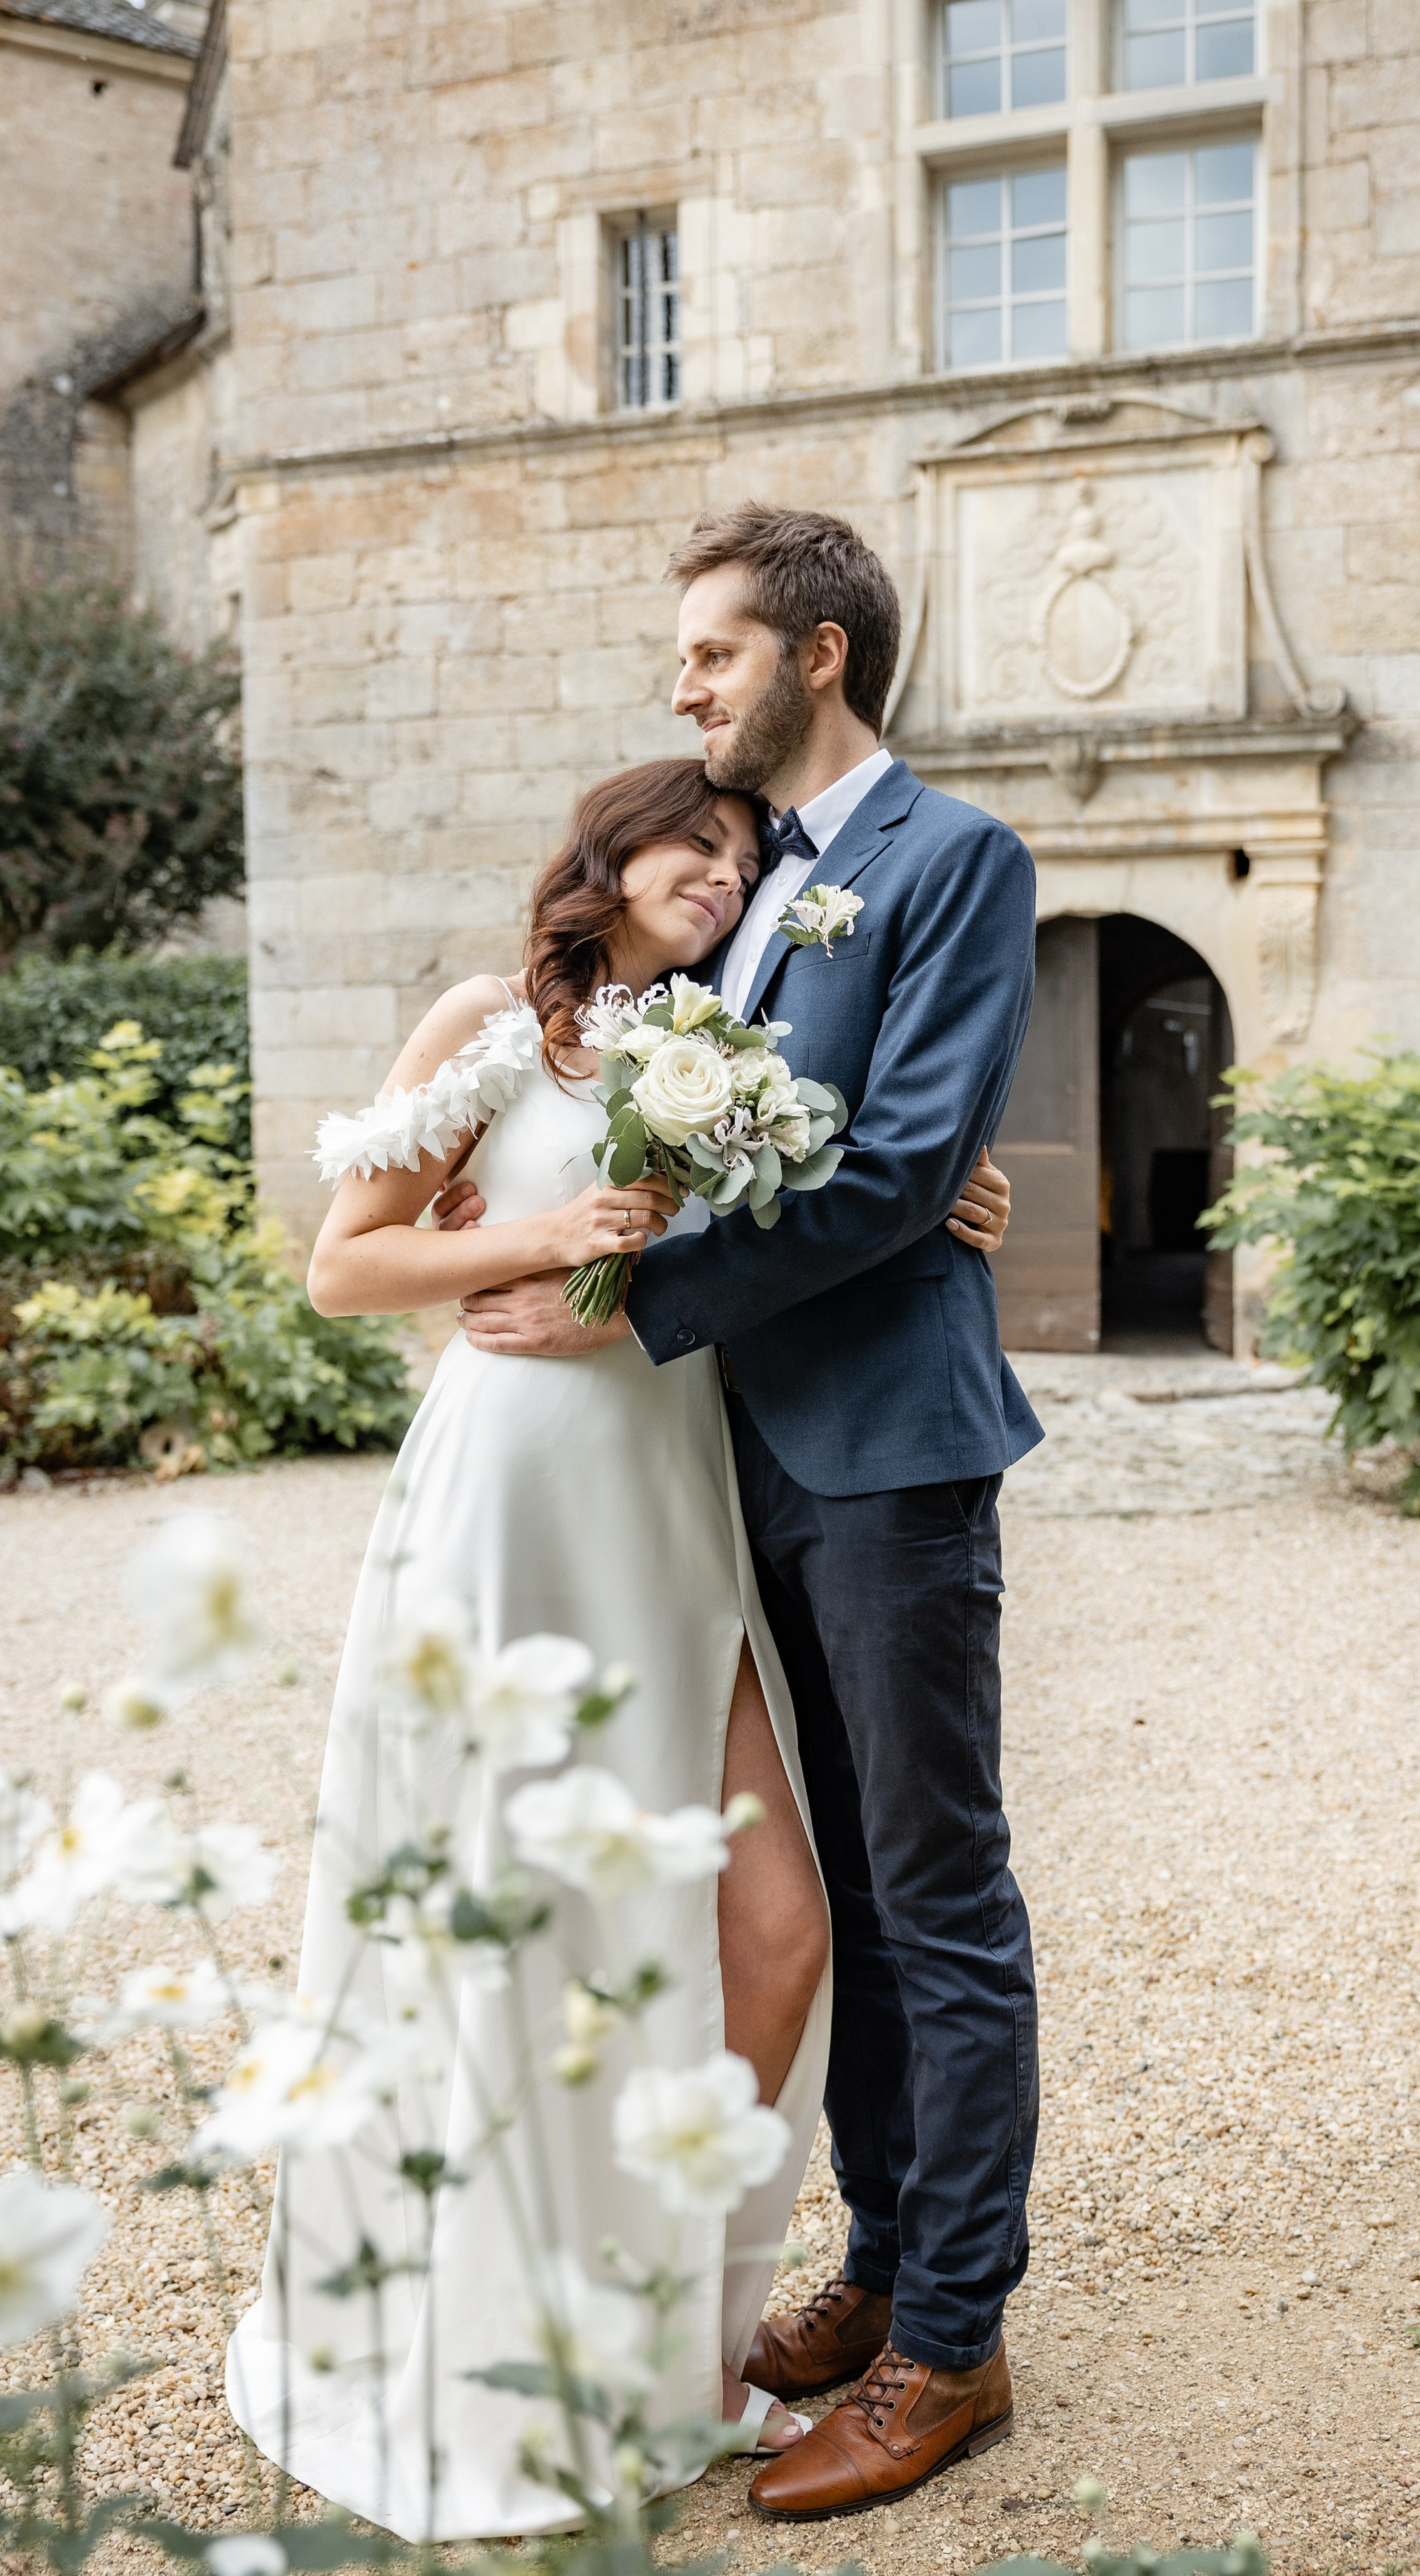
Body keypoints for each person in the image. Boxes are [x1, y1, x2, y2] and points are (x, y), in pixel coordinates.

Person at [223, 752, 1009, 2541]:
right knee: (506, 1929)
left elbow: (843, 1198)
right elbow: (345, 1265)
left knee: (777, 1930)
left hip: (678, 1516)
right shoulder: (496, 1020)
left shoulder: (735, 1061)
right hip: (512, 1502)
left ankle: (669, 2320)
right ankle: (492, 2335)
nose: (723, 879)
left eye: (744, 861)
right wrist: (553, 1234)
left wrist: (953, 1194)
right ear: (612, 850)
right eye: (697, 844)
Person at [453, 502, 1044, 2525]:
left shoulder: (948, 859)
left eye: (707, 651)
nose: (681, 685)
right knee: (860, 1900)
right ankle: (883, 2271)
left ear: (816, 654)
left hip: (886, 1447)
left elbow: (886, 1172)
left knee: (940, 1897)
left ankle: (954, 2342)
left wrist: (634, 1312)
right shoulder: (765, 885)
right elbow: (725, 1137)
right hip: (742, 1463)